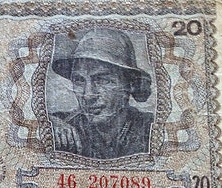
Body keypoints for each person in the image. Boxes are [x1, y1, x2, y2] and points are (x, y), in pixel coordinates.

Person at [50, 27, 154, 159]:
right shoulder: (64, 125)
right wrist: (49, 123)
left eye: (102, 80)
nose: (88, 95)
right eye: (79, 80)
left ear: (130, 84)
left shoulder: (151, 128)